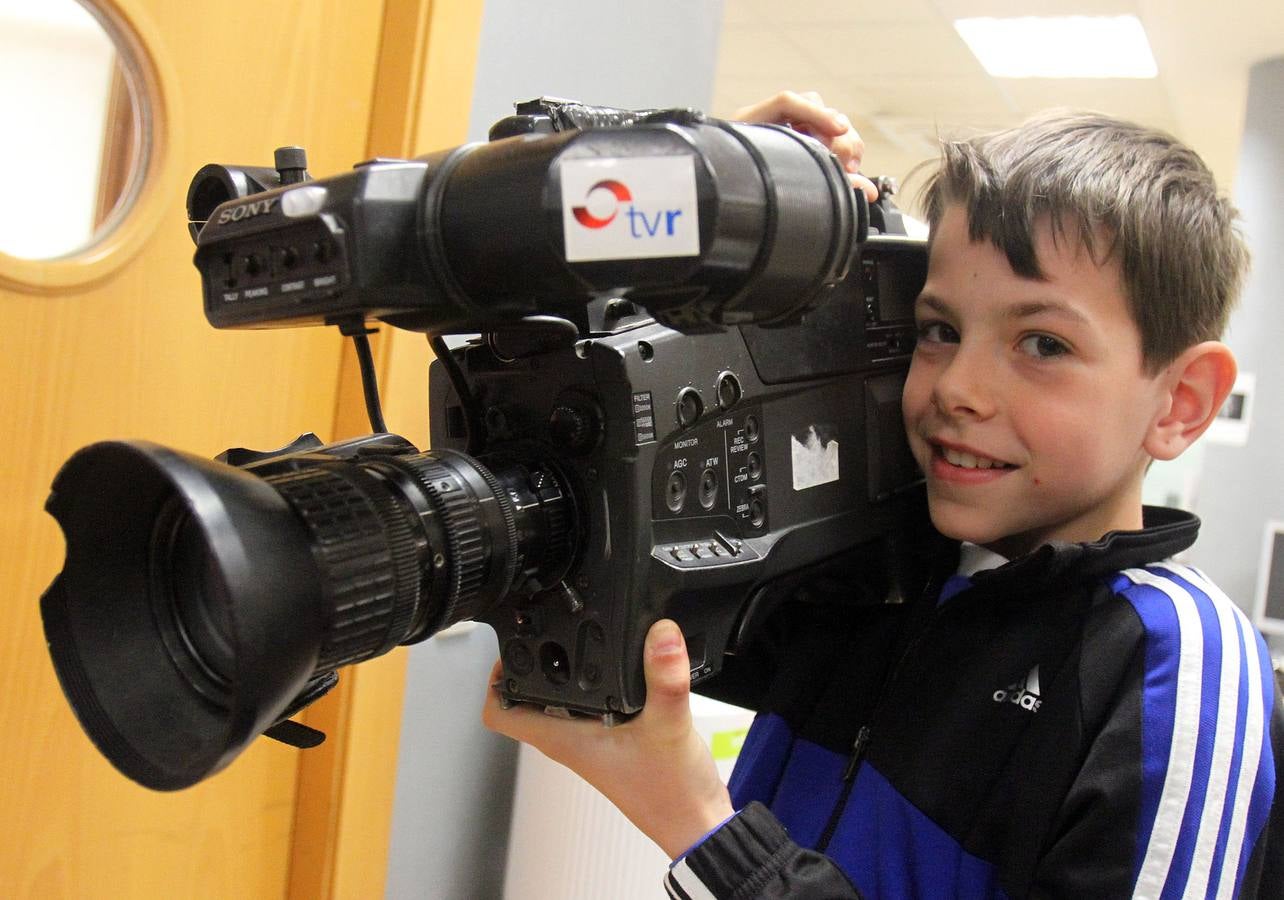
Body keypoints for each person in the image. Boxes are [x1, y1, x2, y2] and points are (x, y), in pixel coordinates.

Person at [484, 90, 1284, 897]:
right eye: (939, 330)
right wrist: (704, 213)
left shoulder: (1178, 666)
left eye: (1043, 343)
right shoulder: (874, 561)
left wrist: (702, 828)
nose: (958, 389)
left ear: (1181, 402)